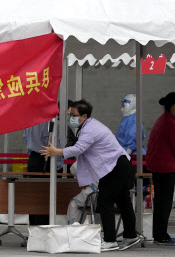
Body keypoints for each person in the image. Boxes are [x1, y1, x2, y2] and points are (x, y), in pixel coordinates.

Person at [40, 99, 140, 252]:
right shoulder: (88, 125)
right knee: (122, 201)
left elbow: (79, 148)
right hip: (115, 165)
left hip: (116, 166)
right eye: (69, 115)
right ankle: (130, 236)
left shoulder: (89, 129)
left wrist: (57, 151)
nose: (70, 118)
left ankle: (110, 240)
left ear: (84, 116)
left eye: (73, 115)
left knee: (104, 201)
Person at [146, 92, 175, 246]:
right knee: (165, 203)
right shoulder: (170, 124)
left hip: (158, 165)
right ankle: (161, 234)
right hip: (165, 167)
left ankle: (159, 233)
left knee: (160, 202)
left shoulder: (163, 120)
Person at [23, 120, 63, 225]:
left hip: (33, 158)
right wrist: (59, 164)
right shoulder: (50, 122)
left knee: (34, 196)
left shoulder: (30, 122)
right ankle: (44, 229)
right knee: (45, 197)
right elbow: (53, 143)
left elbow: (25, 138)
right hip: (46, 158)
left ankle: (34, 228)